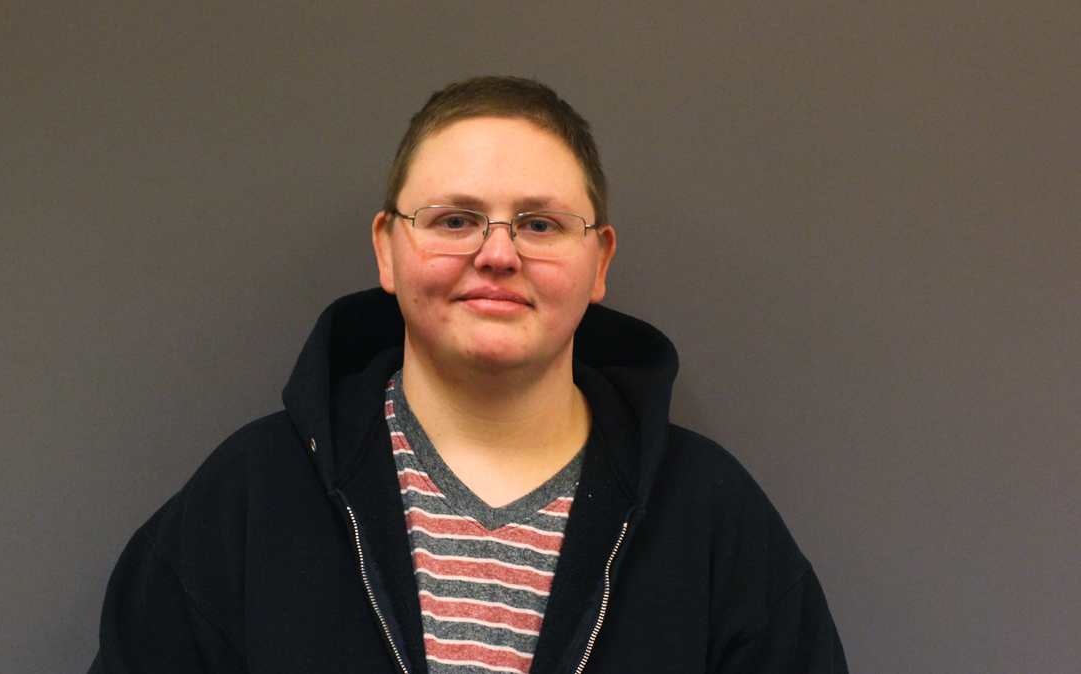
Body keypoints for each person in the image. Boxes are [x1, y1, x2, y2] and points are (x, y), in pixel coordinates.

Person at [90, 76, 848, 673]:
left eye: (540, 224)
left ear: (599, 262)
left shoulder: (716, 520)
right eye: (455, 220)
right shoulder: (246, 499)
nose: (498, 254)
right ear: (387, 249)